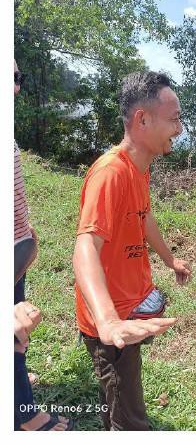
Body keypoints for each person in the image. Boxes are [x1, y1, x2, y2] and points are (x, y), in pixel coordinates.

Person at [72, 71, 191, 431]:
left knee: (118, 398)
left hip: (127, 312)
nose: (180, 129)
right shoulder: (111, 173)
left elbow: (144, 216)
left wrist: (171, 259)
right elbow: (84, 248)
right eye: (174, 119)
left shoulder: (139, 169)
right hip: (110, 324)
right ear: (142, 119)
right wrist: (108, 320)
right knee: (132, 420)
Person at [14, 59, 72, 431]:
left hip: (16, 251)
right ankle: (24, 417)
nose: (15, 86)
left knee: (16, 329)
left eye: (16, 77)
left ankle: (15, 377)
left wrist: (25, 233)